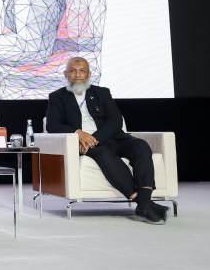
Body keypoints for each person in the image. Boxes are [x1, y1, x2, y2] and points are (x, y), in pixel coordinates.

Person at [45, 57, 168, 224]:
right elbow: (52, 125)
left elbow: (115, 121)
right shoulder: (57, 97)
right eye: (73, 71)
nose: (78, 75)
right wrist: (78, 134)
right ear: (66, 74)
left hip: (110, 138)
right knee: (103, 153)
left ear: (89, 74)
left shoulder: (102, 92)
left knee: (140, 146)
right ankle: (144, 204)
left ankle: (144, 202)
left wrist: (94, 139)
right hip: (84, 145)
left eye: (82, 71)